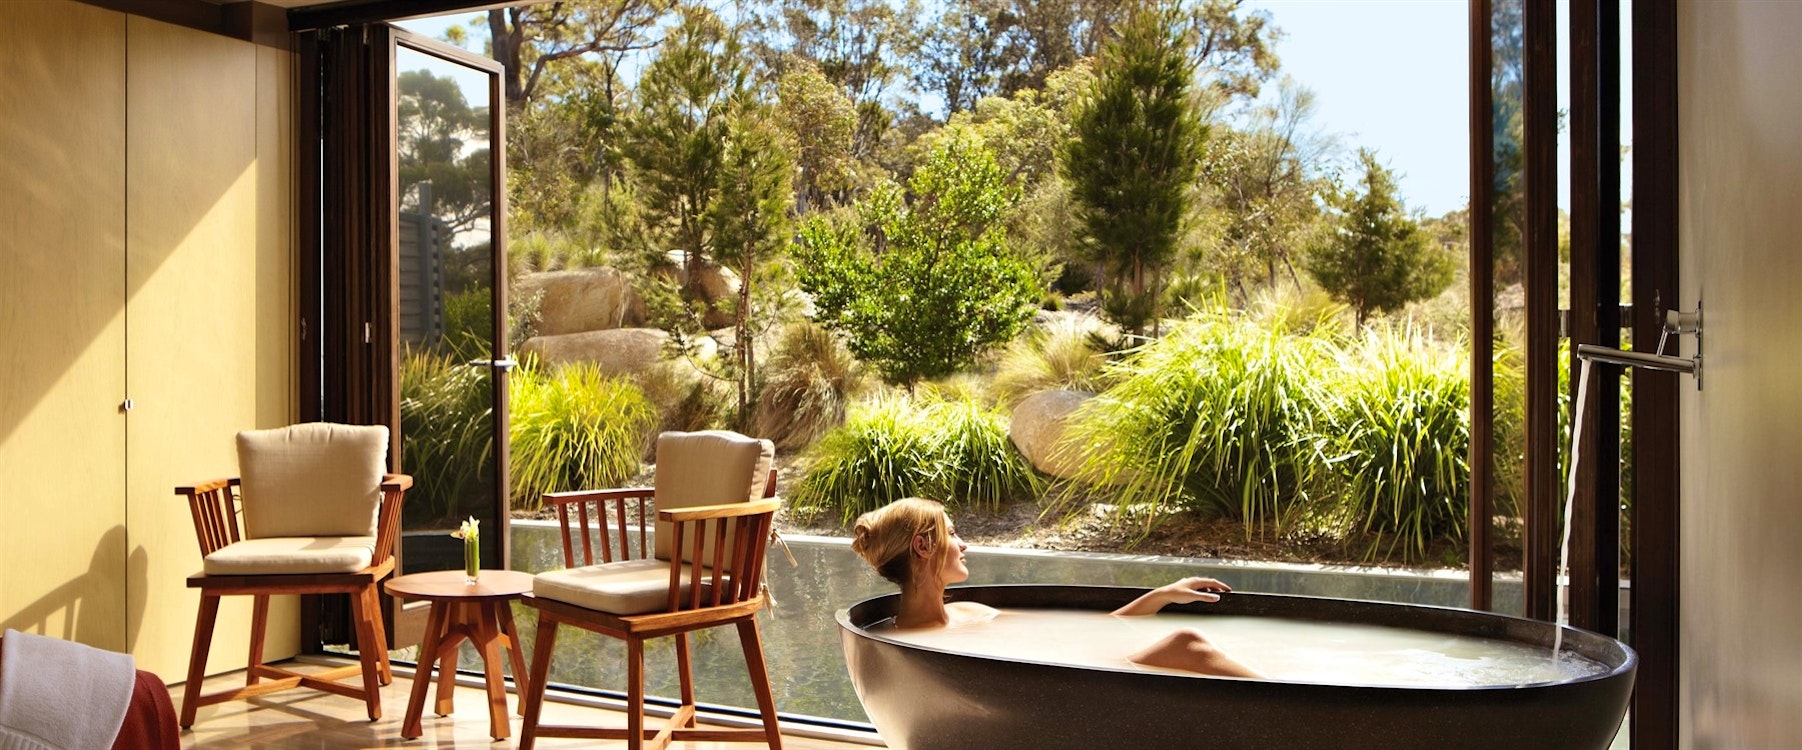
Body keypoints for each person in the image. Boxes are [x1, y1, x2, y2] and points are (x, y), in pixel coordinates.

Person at [850, 497, 1263, 678]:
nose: (964, 544)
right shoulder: (911, 643)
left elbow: (1089, 632)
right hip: (1070, 697)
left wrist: (1163, 594)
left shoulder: (971, 612)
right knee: (1186, 644)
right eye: (953, 533)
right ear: (923, 546)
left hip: (1084, 676)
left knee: (1186, 643)